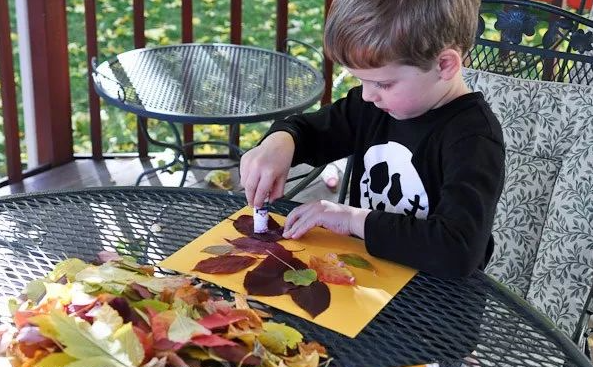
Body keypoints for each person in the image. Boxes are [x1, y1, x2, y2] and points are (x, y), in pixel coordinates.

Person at [240, 0, 505, 278]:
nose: (367, 95)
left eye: (383, 83)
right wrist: (280, 142)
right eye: (360, 80)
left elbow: (458, 249)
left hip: (434, 305)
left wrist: (351, 219)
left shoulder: (474, 139)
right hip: (365, 281)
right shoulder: (374, 106)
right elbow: (309, 131)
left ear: (444, 64)